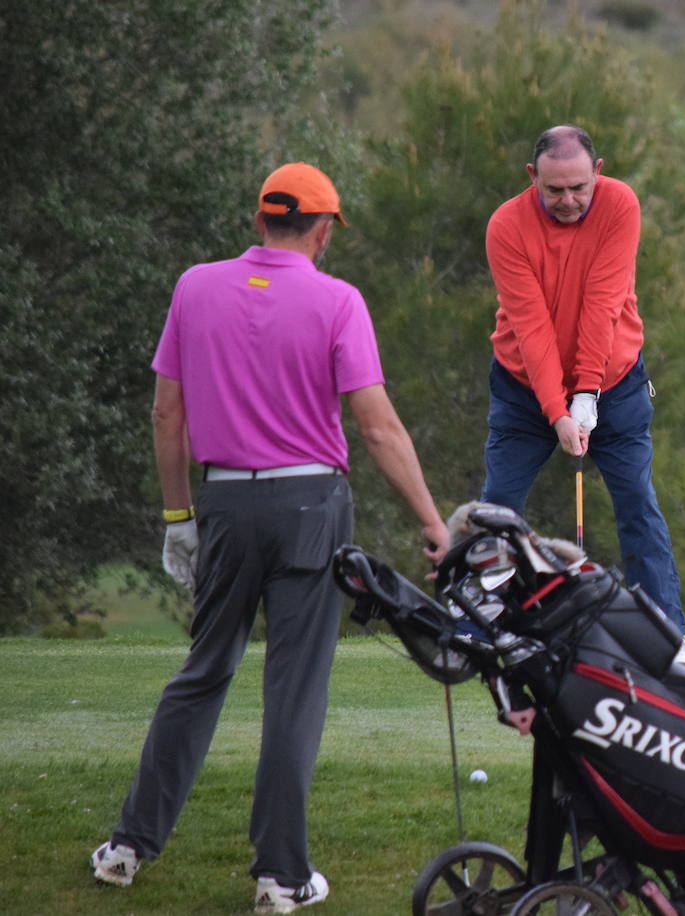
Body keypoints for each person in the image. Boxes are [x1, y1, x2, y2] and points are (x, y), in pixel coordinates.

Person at [90, 162, 450, 914]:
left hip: (222, 502)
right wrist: (429, 519)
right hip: (311, 506)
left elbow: (167, 416)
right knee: (294, 689)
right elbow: (377, 427)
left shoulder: (194, 286)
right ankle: (280, 878)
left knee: (204, 669)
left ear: (260, 221)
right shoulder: (338, 299)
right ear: (323, 231)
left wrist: (177, 517)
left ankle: (128, 846)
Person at [481, 125, 685, 666]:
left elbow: (604, 304)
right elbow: (532, 329)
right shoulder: (507, 224)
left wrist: (587, 397)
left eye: (579, 187)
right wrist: (558, 410)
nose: (569, 200)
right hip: (523, 386)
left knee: (637, 505)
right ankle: (478, 628)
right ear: (534, 178)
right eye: (555, 190)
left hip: (615, 382)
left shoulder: (619, 204)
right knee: (497, 507)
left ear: (598, 173)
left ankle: (666, 638)